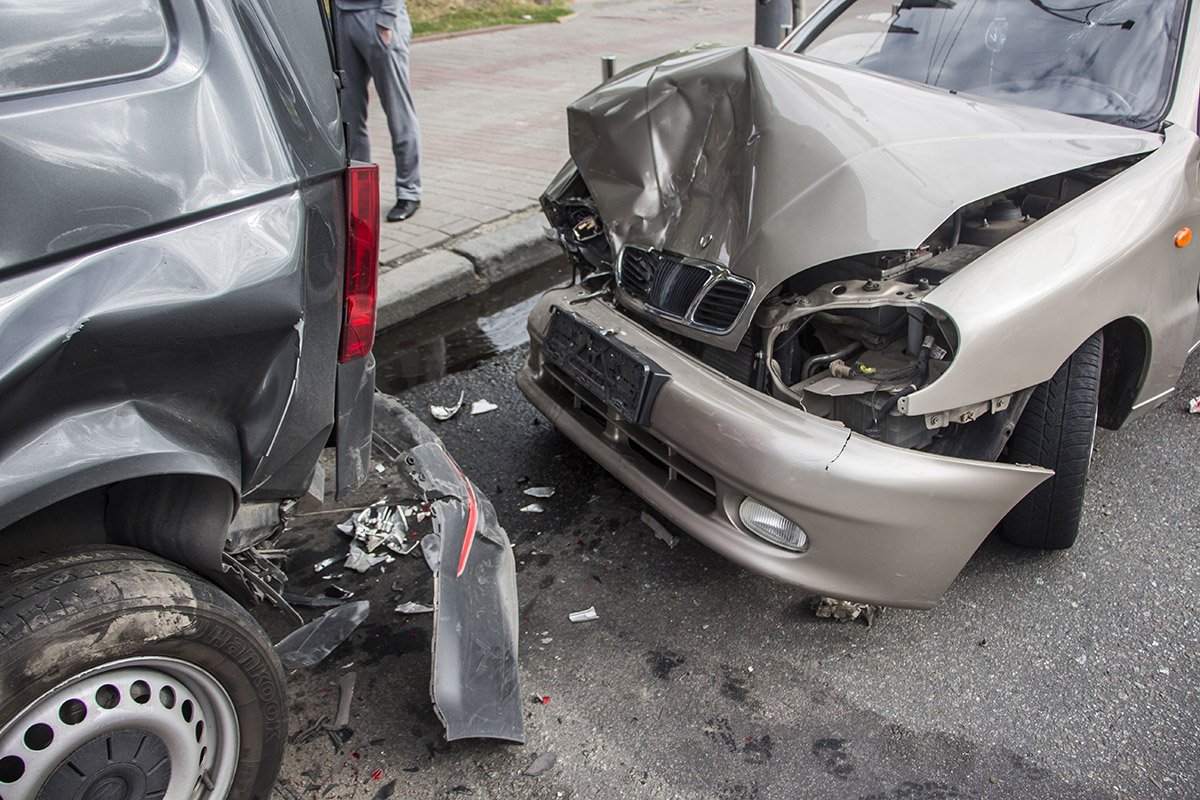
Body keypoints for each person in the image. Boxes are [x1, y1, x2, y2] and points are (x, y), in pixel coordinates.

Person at [334, 0, 422, 222]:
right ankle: (359, 197)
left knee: (398, 112)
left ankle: (409, 192)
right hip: (343, 17)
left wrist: (386, 20)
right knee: (350, 114)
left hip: (379, 20)